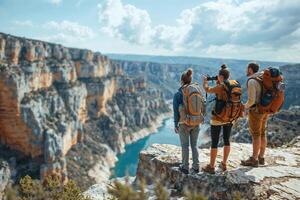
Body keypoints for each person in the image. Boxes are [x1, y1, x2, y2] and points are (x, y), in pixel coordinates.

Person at [201, 64, 242, 174]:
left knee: (214, 142)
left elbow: (208, 89)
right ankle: (224, 164)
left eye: (218, 76)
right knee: (226, 140)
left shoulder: (221, 86)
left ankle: (211, 166)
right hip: (230, 117)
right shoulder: (233, 85)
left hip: (218, 117)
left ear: (220, 76)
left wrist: (205, 81)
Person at [173, 68, 202, 174]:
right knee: (194, 145)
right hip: (196, 121)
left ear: (181, 81)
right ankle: (196, 166)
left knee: (185, 145)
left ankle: (185, 167)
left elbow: (176, 111)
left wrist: (176, 124)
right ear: (190, 80)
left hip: (184, 123)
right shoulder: (197, 89)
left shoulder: (178, 94)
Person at [241, 63, 269, 167]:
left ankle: (254, 159)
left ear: (250, 69)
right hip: (266, 109)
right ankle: (261, 157)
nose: (246, 71)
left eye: (247, 69)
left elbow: (251, 100)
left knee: (256, 134)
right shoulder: (262, 77)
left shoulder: (252, 81)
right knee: (262, 133)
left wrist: (244, 106)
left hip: (256, 111)